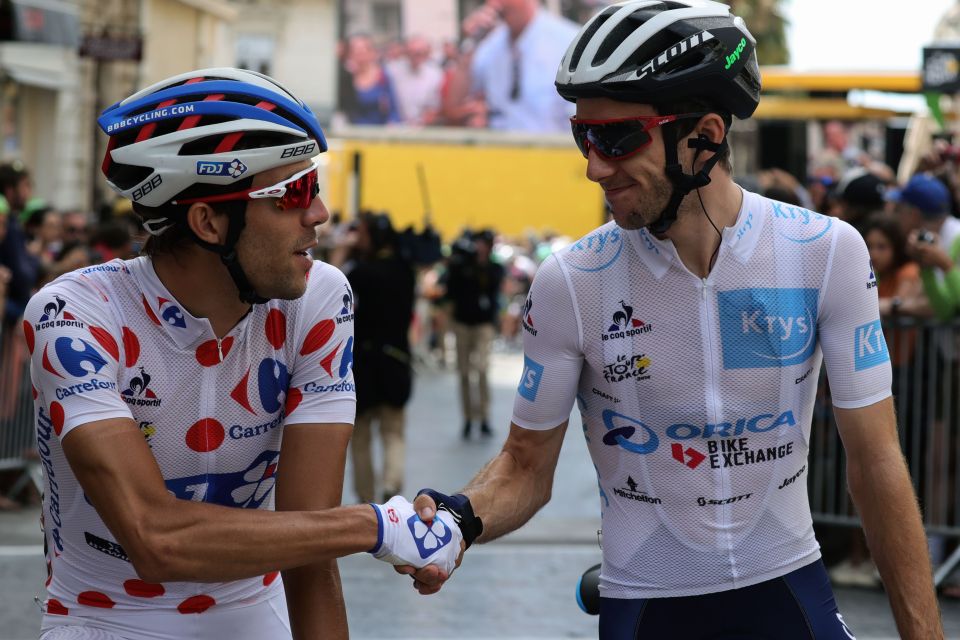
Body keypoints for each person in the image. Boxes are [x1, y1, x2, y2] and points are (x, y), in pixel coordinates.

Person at [404, 3, 942, 638]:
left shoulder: (824, 253)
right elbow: (524, 467)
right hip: (647, 604)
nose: (593, 165)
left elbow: (876, 460)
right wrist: (460, 519)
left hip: (789, 595)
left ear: (704, 135)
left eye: (617, 137)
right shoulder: (572, 281)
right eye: (584, 137)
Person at [27, 68, 462, 640]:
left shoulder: (318, 299)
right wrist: (375, 525)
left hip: (253, 610)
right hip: (107, 618)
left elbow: (309, 546)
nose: (321, 214)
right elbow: (155, 538)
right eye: (294, 193)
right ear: (209, 221)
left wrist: (353, 528)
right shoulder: (74, 315)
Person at [341, 212, 417, 503]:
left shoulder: (359, 272)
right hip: (396, 360)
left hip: (363, 362)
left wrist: (345, 253)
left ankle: (366, 497)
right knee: (393, 431)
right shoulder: (404, 268)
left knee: (360, 437)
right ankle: (392, 484)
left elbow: (324, 289)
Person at [443, 0, 579, 132]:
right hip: (503, 152)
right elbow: (454, 107)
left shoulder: (569, 40)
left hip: (558, 152)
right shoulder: (491, 45)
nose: (492, 4)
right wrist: (471, 43)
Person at [444, 229, 504, 439]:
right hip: (462, 323)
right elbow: (450, 290)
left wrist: (477, 266)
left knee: (481, 369)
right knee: (463, 372)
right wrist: (456, 265)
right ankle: (468, 418)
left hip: (483, 324)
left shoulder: (493, 268)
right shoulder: (461, 266)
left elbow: (493, 286)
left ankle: (484, 416)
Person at [340, 34, 401, 125]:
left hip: (378, 133)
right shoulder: (347, 78)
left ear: (371, 53)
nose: (358, 56)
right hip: (353, 133)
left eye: (361, 52)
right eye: (354, 51)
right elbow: (343, 110)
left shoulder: (383, 77)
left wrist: (392, 123)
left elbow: (393, 110)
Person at [389, 35, 444, 126]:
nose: (415, 57)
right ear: (406, 52)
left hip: (424, 129)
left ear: (427, 53)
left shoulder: (436, 74)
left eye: (419, 53)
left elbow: (435, 107)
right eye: (412, 52)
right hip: (397, 127)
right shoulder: (393, 70)